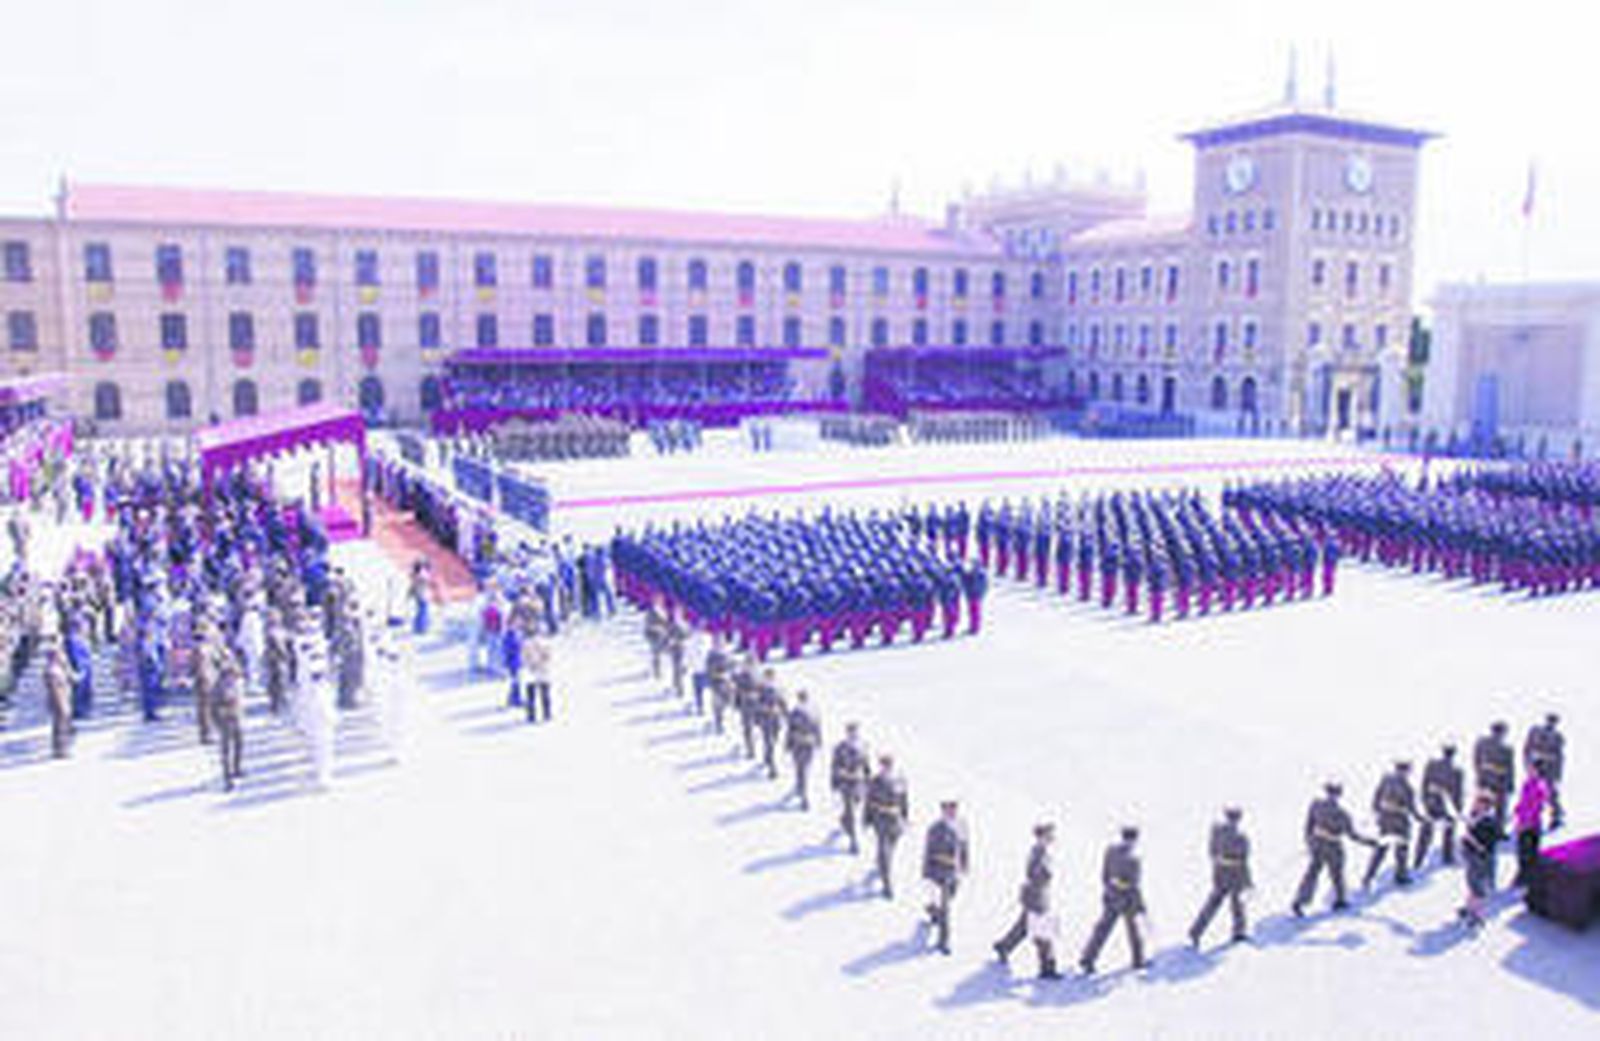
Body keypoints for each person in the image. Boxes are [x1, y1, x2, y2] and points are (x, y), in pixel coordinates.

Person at [1292, 782, 1373, 917]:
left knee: (1312, 874)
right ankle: (1340, 900)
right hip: (1333, 846)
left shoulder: (1316, 805)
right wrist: (1370, 842)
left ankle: (1300, 901)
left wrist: (1309, 841)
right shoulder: (1342, 814)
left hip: (1318, 843)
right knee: (1337, 875)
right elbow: (1352, 835)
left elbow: (1309, 825)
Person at [993, 822, 1061, 979]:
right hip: (1036, 896)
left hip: (1036, 895)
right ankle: (1047, 968)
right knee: (1043, 932)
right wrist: (1044, 877)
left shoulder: (1041, 851)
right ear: (1042, 836)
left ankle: (1004, 946)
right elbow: (1032, 873)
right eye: (1049, 834)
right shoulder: (1038, 852)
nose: (1052, 837)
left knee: (1024, 927)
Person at [1079, 826, 1147, 975]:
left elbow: (1104, 874)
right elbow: (1134, 885)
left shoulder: (1110, 851)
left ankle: (1088, 958)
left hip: (1111, 896)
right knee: (1134, 932)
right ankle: (1138, 961)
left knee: (1102, 929)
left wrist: (1109, 888)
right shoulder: (1134, 859)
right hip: (1127, 900)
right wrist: (1141, 905)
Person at [1189, 807, 1252, 948]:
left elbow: (1212, 852)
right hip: (1235, 874)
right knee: (1237, 905)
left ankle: (1196, 931)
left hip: (1219, 873)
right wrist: (1248, 881)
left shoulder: (1217, 833)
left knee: (1213, 904)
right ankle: (1238, 932)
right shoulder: (1241, 837)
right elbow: (1243, 861)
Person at [1362, 760, 1424, 890]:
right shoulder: (1407, 788)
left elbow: (1377, 797)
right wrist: (1420, 818)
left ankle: (1368, 876)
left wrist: (1378, 812)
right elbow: (1411, 808)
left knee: (1381, 850)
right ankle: (1400, 875)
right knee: (1401, 849)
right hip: (1399, 821)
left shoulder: (1386, 780)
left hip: (1385, 819)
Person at [921, 799, 970, 955]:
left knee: (949, 899)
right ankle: (944, 941)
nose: (951, 812)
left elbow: (965, 846)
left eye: (954, 808)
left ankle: (933, 911)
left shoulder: (962, 825)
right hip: (939, 871)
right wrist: (927, 873)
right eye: (948, 809)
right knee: (946, 908)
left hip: (954, 872)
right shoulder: (935, 828)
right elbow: (928, 852)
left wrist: (965, 864)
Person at [864, 754, 909, 899]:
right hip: (881, 819)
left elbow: (904, 801)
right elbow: (869, 801)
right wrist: (867, 819)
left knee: (891, 847)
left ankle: (881, 863)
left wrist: (905, 818)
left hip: (895, 820)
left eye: (888, 765)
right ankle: (887, 885)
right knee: (884, 850)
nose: (886, 767)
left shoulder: (900, 781)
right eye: (883, 765)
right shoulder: (875, 781)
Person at [1457, 792, 1504, 932]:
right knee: (1471, 882)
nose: (1474, 804)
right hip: (1472, 856)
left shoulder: (1489, 822)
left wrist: (1470, 839)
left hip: (1481, 857)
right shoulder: (1476, 816)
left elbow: (1488, 842)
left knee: (1478, 887)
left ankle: (1477, 915)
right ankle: (1468, 907)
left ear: (1485, 806)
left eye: (1477, 802)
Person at [1415, 743, 1464, 871]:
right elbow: (1457, 792)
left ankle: (1418, 858)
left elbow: (1424, 783)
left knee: (1426, 832)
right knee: (1449, 829)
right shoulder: (1456, 771)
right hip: (1446, 804)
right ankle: (1447, 856)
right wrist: (1458, 809)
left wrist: (1425, 800)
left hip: (1431, 800)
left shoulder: (1431, 765)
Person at [1511, 763, 1553, 888]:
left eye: (1533, 769)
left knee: (1529, 852)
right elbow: (1522, 801)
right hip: (1522, 821)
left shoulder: (1540, 785)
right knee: (1522, 851)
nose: (1529, 771)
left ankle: (1528, 876)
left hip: (1531, 824)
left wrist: (1527, 822)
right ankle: (1523, 874)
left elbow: (1536, 805)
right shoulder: (1527, 783)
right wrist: (1517, 811)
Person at [830, 722, 870, 854]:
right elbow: (834, 766)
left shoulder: (863, 746)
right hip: (846, 784)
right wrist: (835, 782)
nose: (853, 735)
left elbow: (866, 765)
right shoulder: (840, 748)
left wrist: (868, 782)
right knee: (851, 811)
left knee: (855, 805)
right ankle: (853, 842)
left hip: (859, 783)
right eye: (850, 732)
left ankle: (844, 820)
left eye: (855, 732)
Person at [1522, 713, 1565, 829]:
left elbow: (1559, 756)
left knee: (1551, 795)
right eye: (1550, 721)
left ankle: (1556, 816)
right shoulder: (1535, 731)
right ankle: (1530, 818)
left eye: (1554, 722)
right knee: (1532, 793)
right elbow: (1527, 748)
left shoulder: (1558, 737)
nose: (1551, 724)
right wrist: (1528, 765)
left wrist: (1557, 774)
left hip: (1549, 769)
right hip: (1535, 766)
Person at [1473, 720, 1515, 828]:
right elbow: (1510, 767)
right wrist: (1510, 783)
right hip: (1498, 780)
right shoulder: (1506, 748)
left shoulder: (1482, 742)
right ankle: (1497, 829)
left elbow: (1476, 759)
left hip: (1485, 778)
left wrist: (1479, 773)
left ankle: (1474, 826)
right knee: (1499, 808)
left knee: (1481, 805)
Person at [784, 690, 821, 810]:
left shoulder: (801, 712)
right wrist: (818, 742)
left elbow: (791, 729)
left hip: (803, 744)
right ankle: (802, 791)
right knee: (803, 768)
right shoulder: (805, 712)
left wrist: (788, 744)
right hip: (803, 744)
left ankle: (802, 791)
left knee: (802, 769)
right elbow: (816, 729)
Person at [43, 640, 74, 759]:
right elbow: (56, 691)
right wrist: (63, 706)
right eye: (60, 653)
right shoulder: (52, 671)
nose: (63, 655)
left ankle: (61, 747)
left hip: (63, 699)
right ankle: (60, 749)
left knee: (60, 725)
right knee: (60, 725)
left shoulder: (57, 668)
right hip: (59, 702)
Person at [524, 628, 552, 724]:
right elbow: (548, 656)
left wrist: (531, 664)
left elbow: (524, 657)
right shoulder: (544, 642)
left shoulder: (526, 643)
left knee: (531, 694)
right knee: (544, 692)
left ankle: (531, 715)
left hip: (532, 670)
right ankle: (546, 714)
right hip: (541, 670)